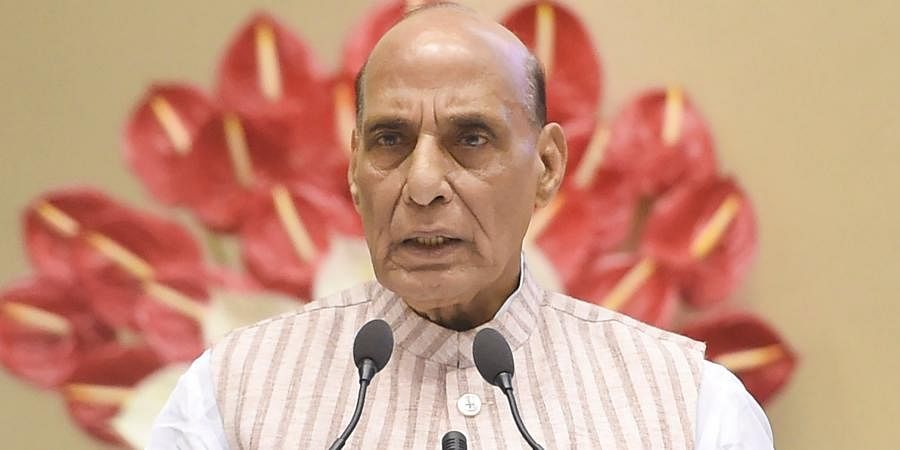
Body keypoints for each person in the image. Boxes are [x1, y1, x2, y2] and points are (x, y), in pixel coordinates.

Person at [149, 3, 773, 449]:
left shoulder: (688, 403)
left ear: (546, 167)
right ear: (354, 169)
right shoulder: (230, 394)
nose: (422, 185)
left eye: (471, 139)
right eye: (390, 140)